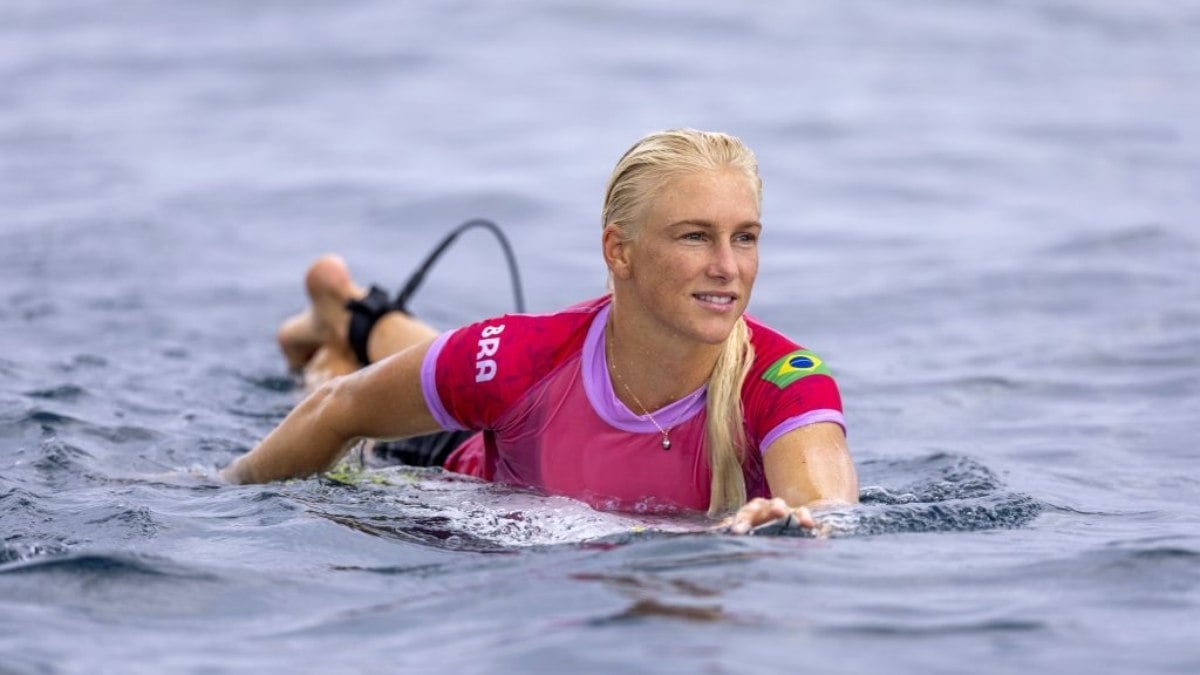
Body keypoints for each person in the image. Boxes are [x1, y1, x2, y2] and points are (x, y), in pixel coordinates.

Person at [220, 128, 859, 534]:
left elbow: (826, 507)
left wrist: (799, 525)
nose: (728, 267)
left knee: (445, 371)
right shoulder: (521, 356)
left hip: (512, 414)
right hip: (450, 463)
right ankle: (341, 321)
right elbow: (340, 411)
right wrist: (217, 497)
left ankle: (348, 311)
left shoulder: (783, 382)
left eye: (744, 238)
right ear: (620, 251)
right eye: (695, 235)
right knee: (336, 373)